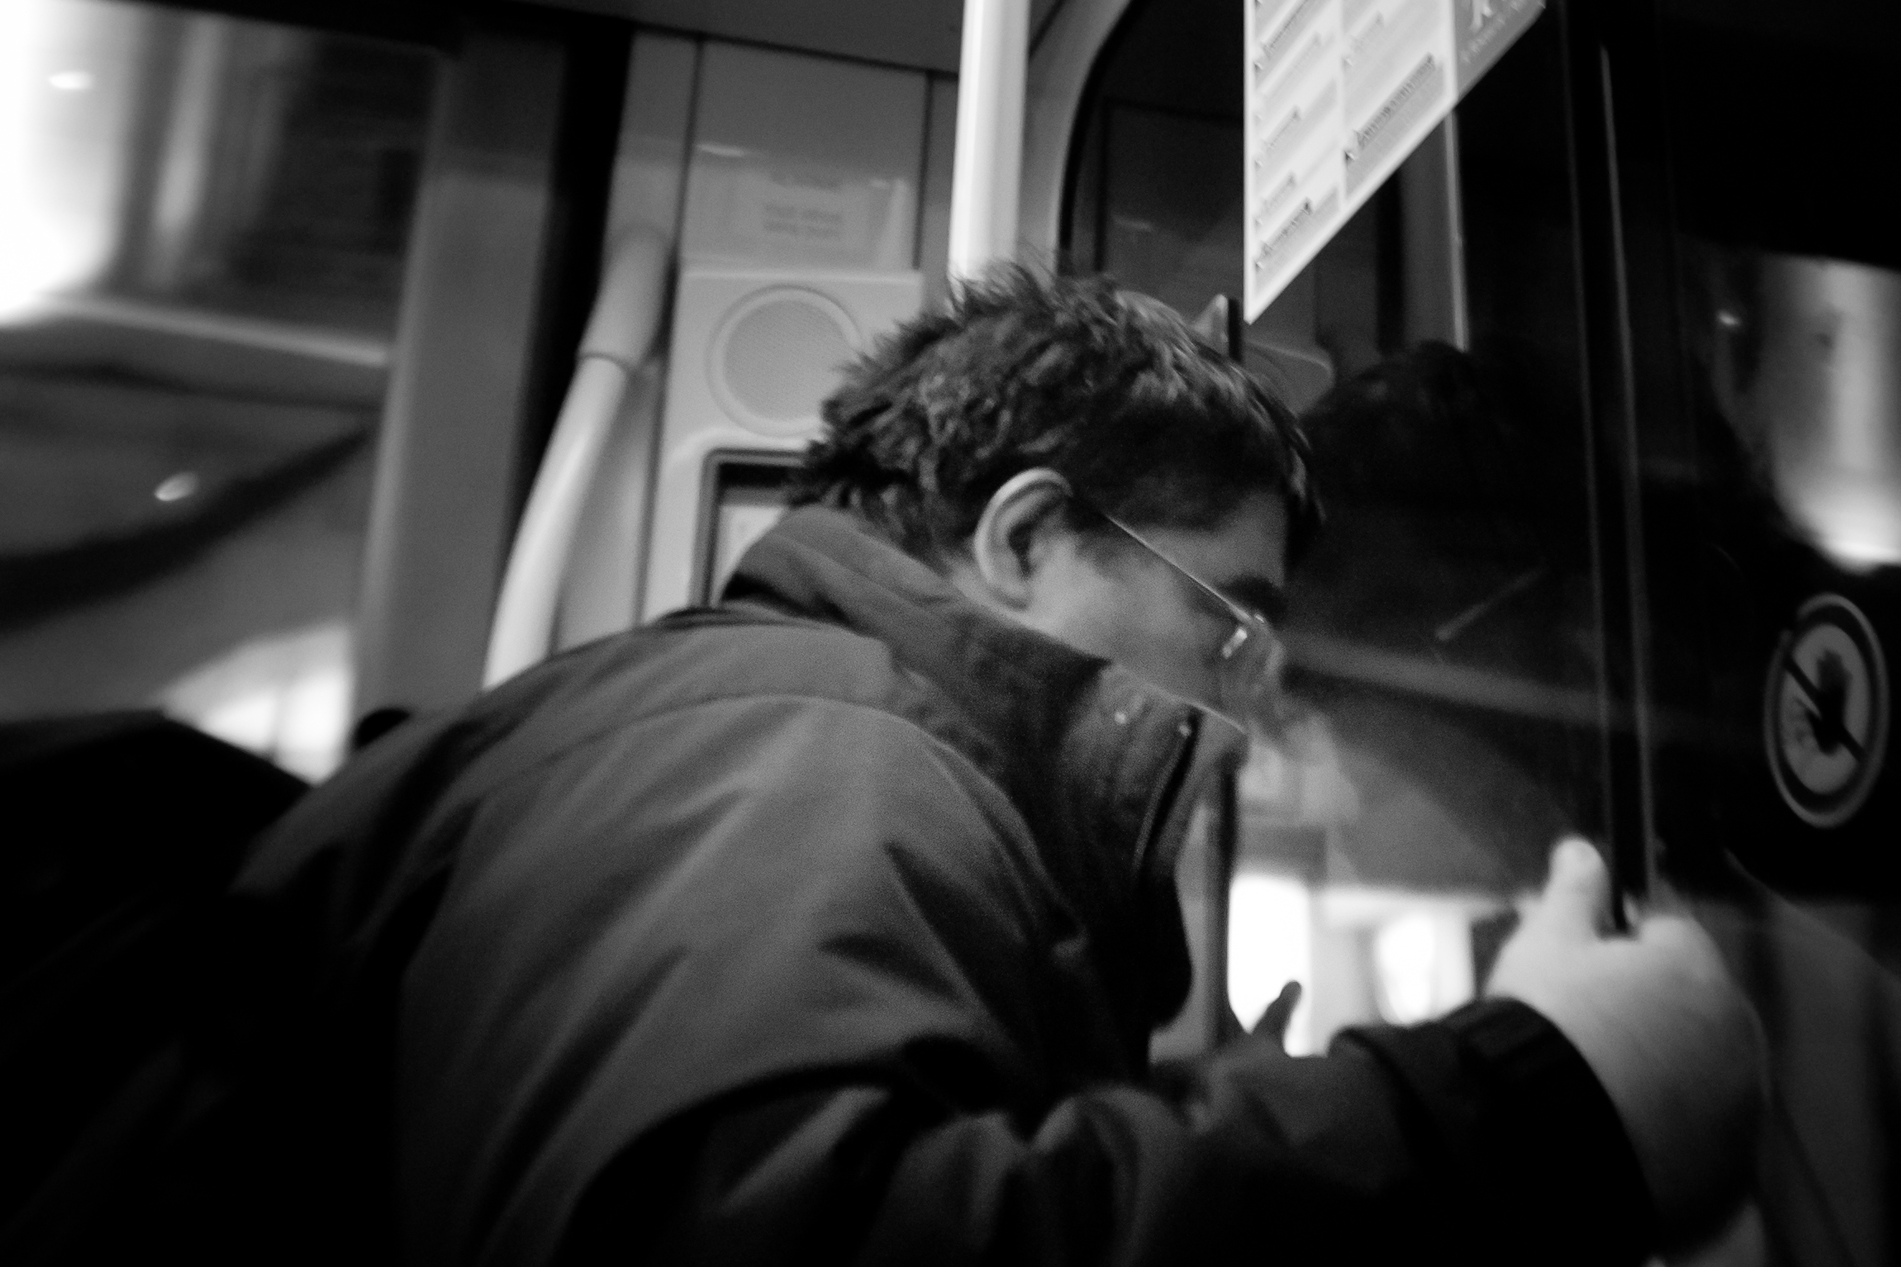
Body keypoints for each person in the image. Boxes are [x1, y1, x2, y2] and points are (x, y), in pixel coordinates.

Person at [192, 269, 1759, 1266]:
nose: (1249, 709)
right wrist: (1513, 1107)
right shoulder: (803, 740)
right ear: (1022, 538)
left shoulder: (762, 736)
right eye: (1229, 621)